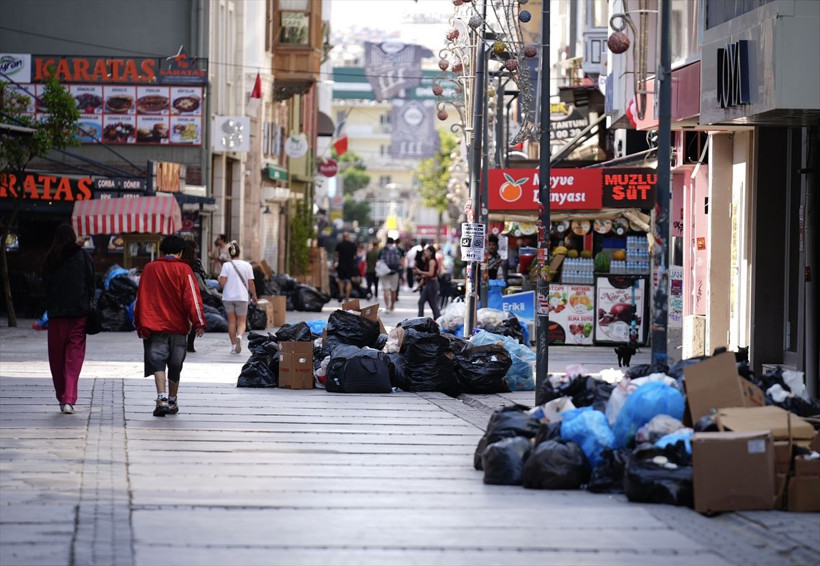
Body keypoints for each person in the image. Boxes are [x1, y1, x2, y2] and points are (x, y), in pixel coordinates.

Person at [134, 235, 207, 417]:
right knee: (175, 364)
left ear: (161, 250)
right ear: (181, 252)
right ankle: (172, 400)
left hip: (154, 324)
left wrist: (139, 322)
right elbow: (192, 297)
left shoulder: (150, 269)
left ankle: (161, 398)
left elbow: (141, 297)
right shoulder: (184, 270)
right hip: (178, 326)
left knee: (157, 361)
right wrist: (199, 321)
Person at [42, 224, 95, 415]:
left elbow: (44, 285)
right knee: (74, 358)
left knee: (56, 359)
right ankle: (69, 399)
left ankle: (62, 395)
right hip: (78, 314)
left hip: (56, 315)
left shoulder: (51, 257)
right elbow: (92, 283)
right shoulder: (83, 256)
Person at [219, 240, 257, 354]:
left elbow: (222, 283)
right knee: (241, 321)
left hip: (228, 297)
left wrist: (219, 279)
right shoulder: (247, 265)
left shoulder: (226, 265)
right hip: (242, 297)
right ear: (239, 253)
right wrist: (254, 295)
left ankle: (233, 346)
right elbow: (251, 283)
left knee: (231, 322)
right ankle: (239, 336)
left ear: (230, 253)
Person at [181, 239, 209, 353]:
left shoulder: (179, 261)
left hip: (180, 292)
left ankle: (181, 342)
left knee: (182, 318)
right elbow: (203, 277)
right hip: (193, 291)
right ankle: (190, 345)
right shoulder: (195, 262)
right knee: (192, 317)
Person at [413, 244, 441, 320]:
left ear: (431, 252)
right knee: (421, 302)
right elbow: (426, 276)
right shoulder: (428, 261)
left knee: (433, 304)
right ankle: (420, 320)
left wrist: (420, 272)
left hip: (432, 284)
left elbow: (431, 274)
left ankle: (438, 319)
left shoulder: (432, 261)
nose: (425, 252)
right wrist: (418, 287)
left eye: (427, 251)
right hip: (429, 284)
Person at [378, 237, 402, 311]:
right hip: (394, 272)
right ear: (393, 242)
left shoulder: (382, 249)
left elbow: (379, 259)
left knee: (386, 289)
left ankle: (387, 306)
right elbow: (399, 260)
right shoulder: (396, 250)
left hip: (384, 271)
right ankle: (392, 305)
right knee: (393, 290)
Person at [333, 232, 358, 303]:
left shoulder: (339, 245)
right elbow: (355, 256)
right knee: (349, 281)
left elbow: (336, 255)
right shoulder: (353, 245)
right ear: (348, 237)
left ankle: (341, 293)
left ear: (343, 237)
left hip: (341, 265)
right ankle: (347, 297)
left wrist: (334, 264)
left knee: (341, 280)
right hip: (350, 266)